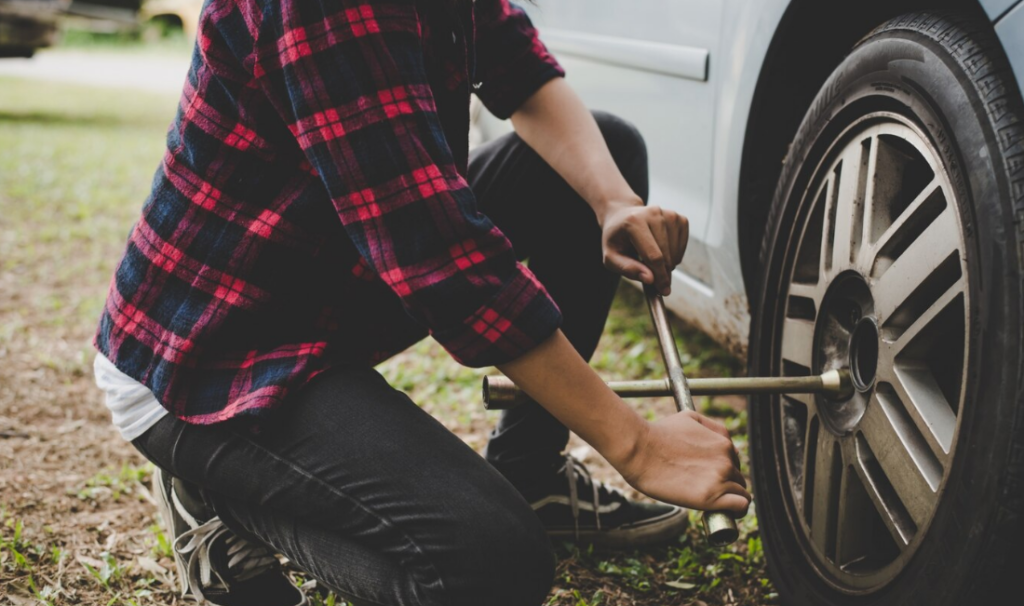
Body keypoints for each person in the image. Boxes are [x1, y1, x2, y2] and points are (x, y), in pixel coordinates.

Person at [92, 1, 751, 605]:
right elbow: (441, 259)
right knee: (494, 567)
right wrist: (636, 446)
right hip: (212, 354)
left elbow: (514, 61)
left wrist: (611, 201)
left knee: (603, 155)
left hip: (332, 276)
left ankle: (532, 476)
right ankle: (218, 495)